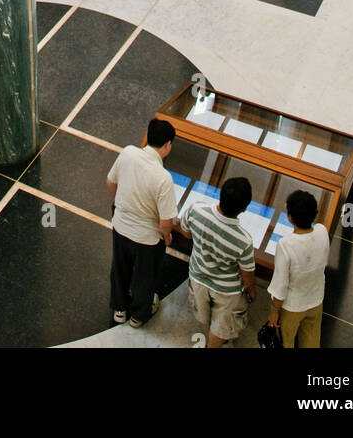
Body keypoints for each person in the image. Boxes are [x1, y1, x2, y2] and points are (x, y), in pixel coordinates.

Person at [106, 118, 177, 329]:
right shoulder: (164, 178)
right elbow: (166, 222)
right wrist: (166, 238)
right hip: (147, 239)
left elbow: (111, 182)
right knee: (145, 277)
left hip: (120, 227)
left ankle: (119, 309)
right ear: (168, 145)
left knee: (119, 269)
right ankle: (138, 315)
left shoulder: (128, 153)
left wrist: (122, 205)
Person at [175, 176, 257, 349]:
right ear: (244, 209)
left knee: (203, 314)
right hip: (227, 290)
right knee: (221, 327)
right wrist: (251, 289)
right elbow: (246, 273)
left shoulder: (196, 210)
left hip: (198, 276)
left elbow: (186, 231)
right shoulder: (244, 240)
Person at [267, 189, 329, 349]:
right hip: (316, 300)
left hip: (292, 306)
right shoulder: (322, 231)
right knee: (311, 341)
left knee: (286, 341)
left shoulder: (286, 245)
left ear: (290, 218)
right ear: (315, 213)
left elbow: (281, 285)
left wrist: (274, 310)